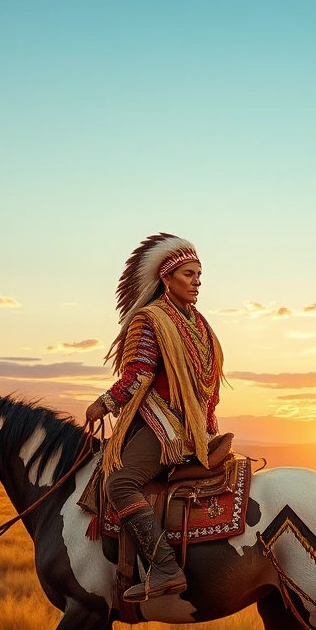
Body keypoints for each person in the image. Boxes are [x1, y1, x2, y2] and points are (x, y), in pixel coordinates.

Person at [85, 233, 223, 603]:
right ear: (167, 277)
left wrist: (104, 403)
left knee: (119, 484)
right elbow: (210, 386)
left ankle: (164, 567)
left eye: (199, 275)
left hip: (166, 430)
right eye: (189, 274)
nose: (197, 282)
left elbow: (139, 376)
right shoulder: (200, 325)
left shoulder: (152, 319)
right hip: (199, 429)